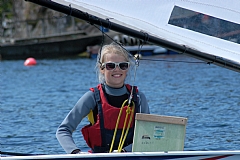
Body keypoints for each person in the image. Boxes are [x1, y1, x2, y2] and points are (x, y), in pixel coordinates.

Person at [56, 42, 150, 154]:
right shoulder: (91, 97)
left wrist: (124, 151)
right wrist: (76, 153)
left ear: (128, 68)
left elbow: (147, 135)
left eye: (122, 65)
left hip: (130, 156)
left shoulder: (139, 98)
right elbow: (63, 130)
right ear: (102, 68)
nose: (117, 70)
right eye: (110, 66)